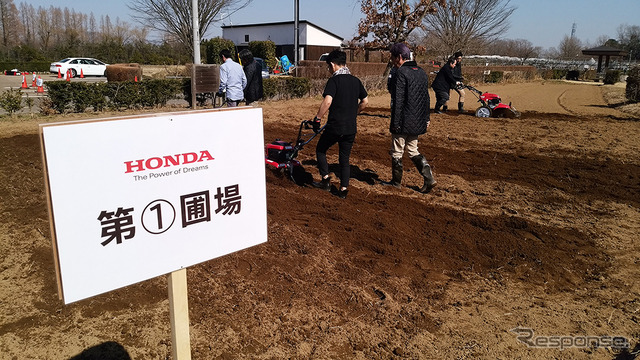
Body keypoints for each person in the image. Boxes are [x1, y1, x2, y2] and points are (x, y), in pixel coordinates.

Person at [310, 49, 369, 199]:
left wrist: (317, 118)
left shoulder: (334, 81)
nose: (328, 70)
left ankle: (325, 180)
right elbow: (365, 101)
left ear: (332, 65)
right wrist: (354, 113)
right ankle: (343, 189)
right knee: (344, 158)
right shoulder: (356, 81)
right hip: (350, 128)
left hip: (335, 126)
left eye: (328, 67)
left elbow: (328, 101)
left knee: (321, 149)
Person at [384, 43, 436, 193]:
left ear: (399, 57)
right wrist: (426, 118)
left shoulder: (401, 73)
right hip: (418, 120)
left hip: (403, 120)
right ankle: (429, 178)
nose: (392, 61)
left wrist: (395, 123)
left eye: (393, 58)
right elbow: (426, 98)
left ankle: (395, 183)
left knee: (397, 152)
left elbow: (398, 100)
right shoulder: (421, 72)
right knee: (413, 150)